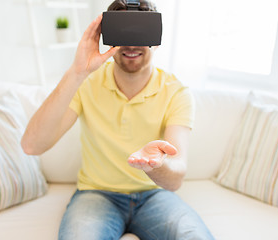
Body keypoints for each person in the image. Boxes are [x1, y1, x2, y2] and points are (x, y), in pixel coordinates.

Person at [21, 0, 214, 239]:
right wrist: (77, 71)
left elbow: (175, 178)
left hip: (155, 195)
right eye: (123, 32)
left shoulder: (176, 91)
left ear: (156, 37)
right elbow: (32, 145)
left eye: (141, 32)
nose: (131, 43)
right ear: (108, 36)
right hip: (97, 194)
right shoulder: (86, 82)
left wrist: (155, 165)